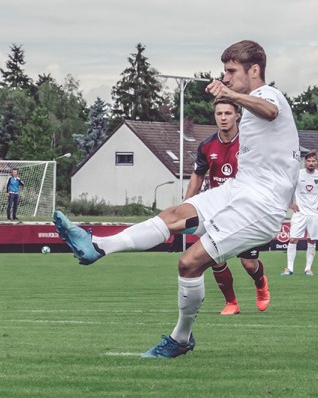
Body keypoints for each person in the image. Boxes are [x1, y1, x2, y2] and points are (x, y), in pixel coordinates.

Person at [53, 40, 300, 358]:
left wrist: (231, 95)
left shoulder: (269, 95)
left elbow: (271, 111)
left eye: (231, 71)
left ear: (254, 70)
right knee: (173, 215)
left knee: (188, 263)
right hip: (238, 190)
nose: (225, 78)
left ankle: (180, 338)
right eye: (224, 72)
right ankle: (98, 246)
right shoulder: (248, 107)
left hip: (261, 208)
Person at [182, 98, 271, 316]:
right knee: (214, 259)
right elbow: (197, 176)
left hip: (245, 210)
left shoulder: (250, 144)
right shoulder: (206, 146)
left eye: (228, 113)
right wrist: (186, 206)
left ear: (237, 116)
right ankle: (231, 302)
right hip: (217, 210)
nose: (223, 118)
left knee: (249, 264)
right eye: (219, 113)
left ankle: (260, 283)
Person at [281, 150, 318, 276]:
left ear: (317, 162)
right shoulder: (297, 174)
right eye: (309, 161)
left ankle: (308, 269)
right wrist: (290, 203)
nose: (311, 163)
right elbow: (285, 188)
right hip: (300, 214)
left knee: (311, 241)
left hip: (314, 215)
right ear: (305, 162)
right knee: (293, 239)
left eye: (313, 161)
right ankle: (289, 268)